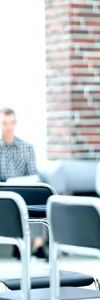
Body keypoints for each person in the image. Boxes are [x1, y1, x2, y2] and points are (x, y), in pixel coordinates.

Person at [0, 107, 47, 260]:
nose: (8, 127)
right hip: (4, 193)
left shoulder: (27, 147)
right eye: (4, 123)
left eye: (11, 123)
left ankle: (38, 245)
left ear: (15, 123)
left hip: (24, 190)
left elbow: (33, 174)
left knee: (35, 195)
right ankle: (19, 244)